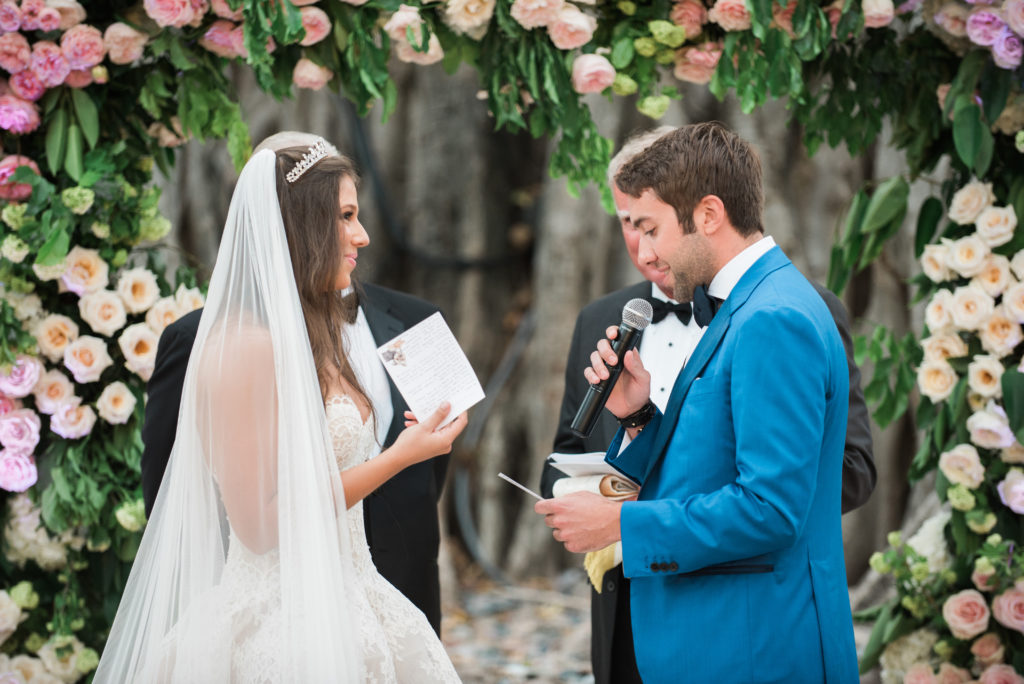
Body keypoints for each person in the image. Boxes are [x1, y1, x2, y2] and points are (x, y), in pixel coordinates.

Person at [96, 142, 466, 681]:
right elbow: (260, 525)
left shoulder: (319, 335)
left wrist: (429, 435)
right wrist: (398, 457)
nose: (362, 235)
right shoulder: (244, 348)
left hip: (359, 599)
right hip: (281, 624)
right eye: (345, 217)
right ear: (301, 227)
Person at [541, 128, 875, 684]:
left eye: (652, 229)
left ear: (709, 214)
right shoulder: (750, 303)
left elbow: (771, 508)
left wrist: (621, 522)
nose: (644, 252)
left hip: (754, 649)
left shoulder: (773, 318)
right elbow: (709, 462)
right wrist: (637, 416)